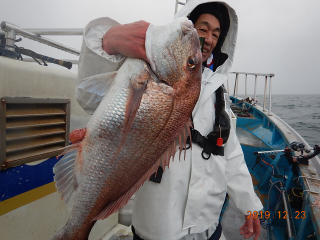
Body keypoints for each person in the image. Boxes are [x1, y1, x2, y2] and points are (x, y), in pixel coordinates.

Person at [76, 0, 263, 240]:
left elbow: (231, 153)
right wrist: (107, 39)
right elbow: (88, 96)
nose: (208, 39)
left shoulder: (218, 91)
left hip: (209, 225)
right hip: (159, 227)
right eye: (202, 29)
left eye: (216, 34)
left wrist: (250, 204)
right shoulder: (142, 67)